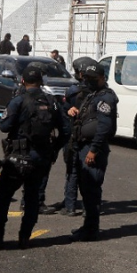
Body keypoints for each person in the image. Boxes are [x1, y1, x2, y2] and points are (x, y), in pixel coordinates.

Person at [0, 63, 67, 250]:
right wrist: (54, 149)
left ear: (22, 80)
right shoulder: (52, 102)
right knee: (32, 197)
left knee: (3, 197)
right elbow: (66, 130)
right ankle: (24, 237)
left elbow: (3, 126)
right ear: (41, 81)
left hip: (18, 157)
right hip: (42, 157)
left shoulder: (18, 101)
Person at [68, 61, 118, 242]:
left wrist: (94, 151)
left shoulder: (106, 97)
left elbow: (104, 127)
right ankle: (87, 227)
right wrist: (73, 111)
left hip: (93, 149)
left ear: (102, 78)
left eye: (93, 79)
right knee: (85, 190)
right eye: (87, 79)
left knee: (92, 191)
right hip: (83, 146)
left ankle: (92, 230)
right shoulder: (93, 95)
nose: (89, 82)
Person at [51, 56, 99, 217]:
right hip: (92, 138)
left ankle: (70, 205)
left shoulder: (73, 91)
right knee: (89, 173)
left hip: (74, 136)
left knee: (72, 171)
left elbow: (63, 111)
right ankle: (87, 206)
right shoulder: (100, 92)